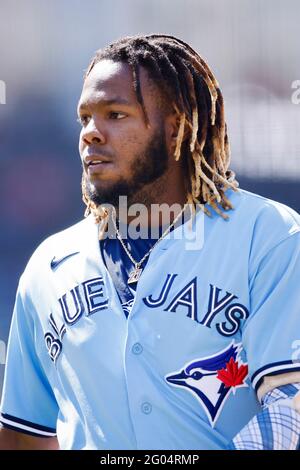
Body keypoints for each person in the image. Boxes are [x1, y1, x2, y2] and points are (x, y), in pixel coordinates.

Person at [0, 34, 300, 451]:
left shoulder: (269, 236)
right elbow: (23, 434)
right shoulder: (48, 265)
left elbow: (290, 408)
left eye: (115, 115)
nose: (91, 133)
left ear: (175, 128)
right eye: (84, 118)